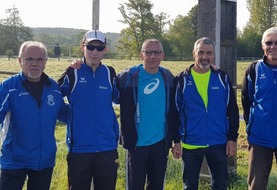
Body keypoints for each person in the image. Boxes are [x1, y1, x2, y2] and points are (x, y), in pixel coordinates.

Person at [0, 41, 67, 190]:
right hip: (14, 161)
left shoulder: (53, 88)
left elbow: (63, 112)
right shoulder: (9, 87)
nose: (34, 63)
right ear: (20, 61)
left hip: (44, 161)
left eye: (39, 59)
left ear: (45, 62)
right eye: (29, 59)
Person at [57, 30, 119, 190]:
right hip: (79, 148)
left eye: (100, 48)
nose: (95, 52)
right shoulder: (73, 72)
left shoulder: (110, 73)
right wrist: (69, 117)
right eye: (90, 47)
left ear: (105, 50)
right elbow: (53, 98)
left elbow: (120, 99)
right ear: (82, 47)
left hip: (107, 147)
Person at [175, 37, 239, 190]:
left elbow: (232, 109)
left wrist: (232, 138)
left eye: (209, 53)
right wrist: (176, 140)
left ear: (213, 55)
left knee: (220, 185)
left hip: (218, 141)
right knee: (190, 186)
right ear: (194, 54)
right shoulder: (181, 79)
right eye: (201, 52)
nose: (205, 57)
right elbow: (175, 112)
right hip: (191, 142)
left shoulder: (222, 77)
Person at [117, 39, 181, 190]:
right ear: (141, 55)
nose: (153, 56)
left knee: (157, 186)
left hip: (160, 144)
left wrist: (176, 140)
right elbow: (104, 80)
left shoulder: (168, 77)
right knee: (135, 186)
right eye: (149, 52)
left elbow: (174, 111)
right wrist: (80, 65)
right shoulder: (128, 76)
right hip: (136, 145)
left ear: (162, 55)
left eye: (157, 52)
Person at [242, 26, 277, 189]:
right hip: (260, 138)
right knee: (256, 185)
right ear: (262, 45)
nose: (273, 46)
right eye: (268, 42)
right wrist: (251, 127)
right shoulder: (253, 70)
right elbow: (247, 101)